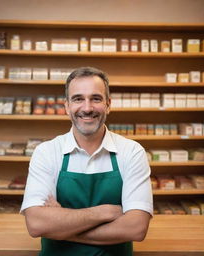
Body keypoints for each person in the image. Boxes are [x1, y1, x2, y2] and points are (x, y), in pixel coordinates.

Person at [21, 66, 153, 256]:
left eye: (96, 99)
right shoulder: (47, 152)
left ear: (108, 104)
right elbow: (36, 224)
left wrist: (61, 228)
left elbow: (136, 228)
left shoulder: (131, 152)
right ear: (67, 106)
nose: (87, 108)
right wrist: (105, 212)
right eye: (78, 99)